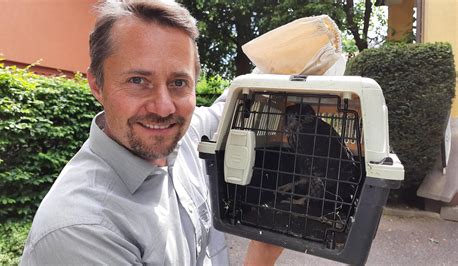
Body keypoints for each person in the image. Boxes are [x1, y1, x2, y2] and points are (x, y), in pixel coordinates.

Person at [21, 0, 283, 265]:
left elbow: (233, 105)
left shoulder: (187, 137)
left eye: (179, 83)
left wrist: (299, 53)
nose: (164, 107)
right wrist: (261, 256)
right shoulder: (82, 230)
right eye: (138, 81)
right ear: (97, 85)